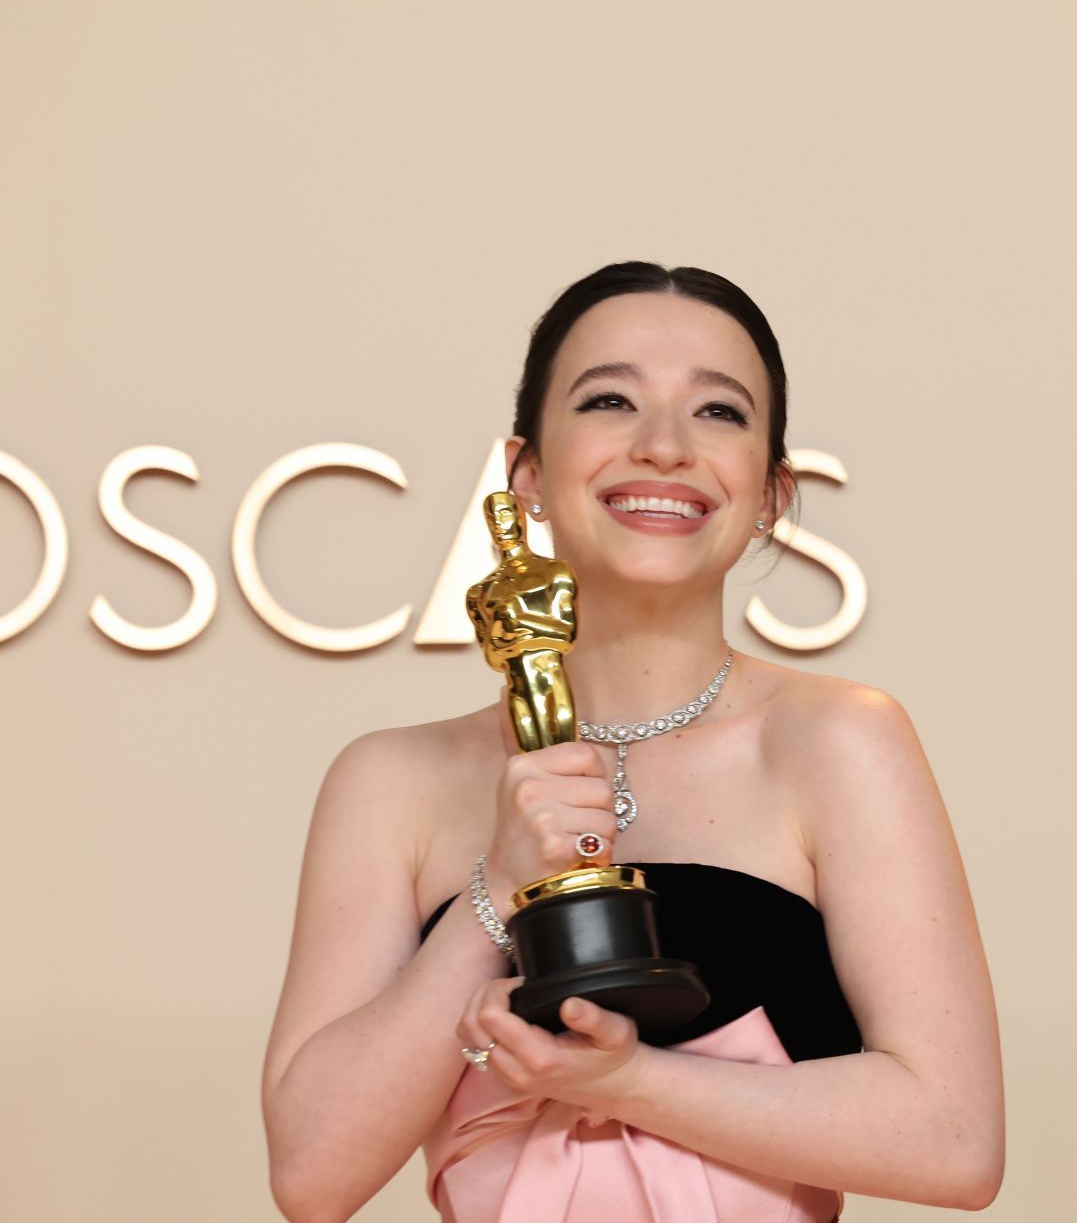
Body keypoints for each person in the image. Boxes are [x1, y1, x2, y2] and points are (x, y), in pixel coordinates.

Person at [261, 262, 1005, 1222]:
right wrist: (496, 886)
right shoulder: (393, 781)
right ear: (525, 473)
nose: (664, 448)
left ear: (772, 491)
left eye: (719, 413)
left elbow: (957, 1144)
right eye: (611, 400)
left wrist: (627, 1083)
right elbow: (312, 1177)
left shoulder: (839, 742)